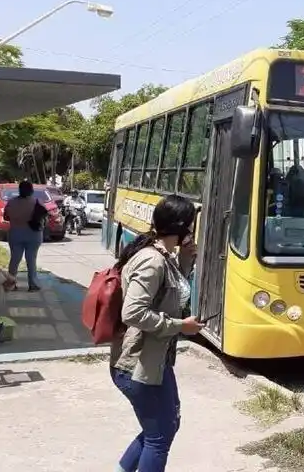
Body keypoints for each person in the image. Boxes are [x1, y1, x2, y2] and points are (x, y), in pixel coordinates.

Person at [109, 194, 205, 472]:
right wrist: (180, 326)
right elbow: (133, 313)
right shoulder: (152, 261)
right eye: (190, 225)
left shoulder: (165, 256)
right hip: (137, 365)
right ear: (182, 226)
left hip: (156, 361)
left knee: (165, 426)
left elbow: (168, 297)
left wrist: (186, 263)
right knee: (159, 436)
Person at [3, 180, 44, 292]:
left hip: (16, 233)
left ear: (19, 190)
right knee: (31, 259)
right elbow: (43, 217)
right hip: (33, 234)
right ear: (31, 190)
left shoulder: (11, 202)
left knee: (15, 259)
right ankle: (33, 284)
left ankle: (11, 284)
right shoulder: (37, 202)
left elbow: (6, 217)